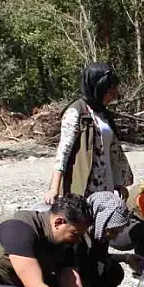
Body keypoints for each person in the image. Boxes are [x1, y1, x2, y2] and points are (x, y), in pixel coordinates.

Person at [45, 63, 134, 203]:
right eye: (109, 90)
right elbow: (63, 152)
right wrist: (54, 188)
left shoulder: (104, 114)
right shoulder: (76, 112)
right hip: (85, 186)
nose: (114, 94)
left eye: (114, 89)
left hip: (107, 185)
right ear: (97, 88)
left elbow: (111, 151)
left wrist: (119, 183)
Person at [78, 190, 144, 287]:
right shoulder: (78, 234)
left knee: (114, 270)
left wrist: (127, 258)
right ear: (101, 220)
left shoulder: (99, 233)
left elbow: (99, 256)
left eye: (118, 232)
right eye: (113, 231)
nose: (114, 237)